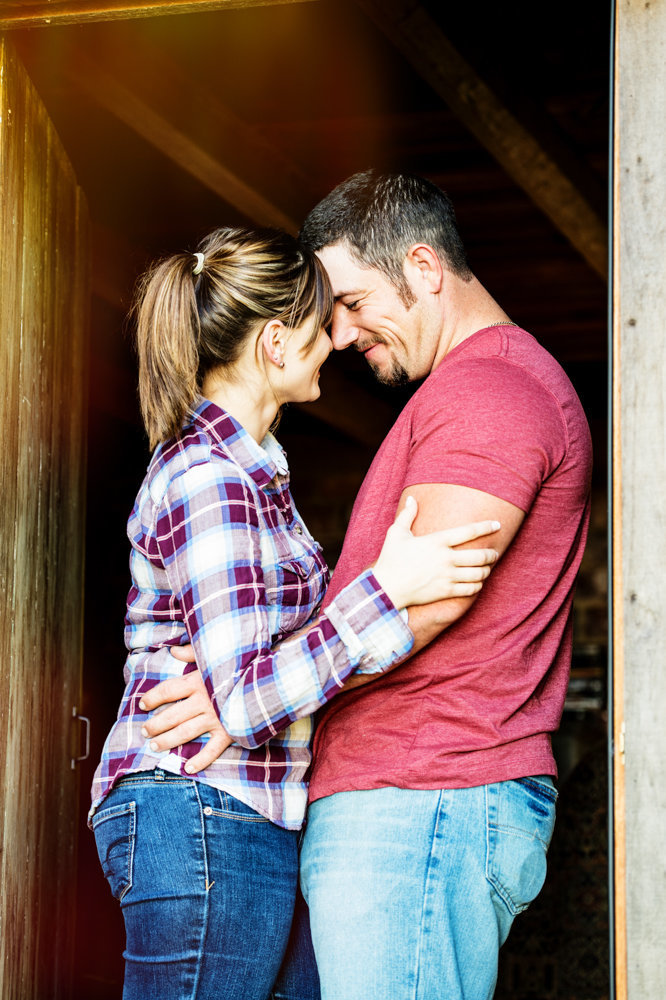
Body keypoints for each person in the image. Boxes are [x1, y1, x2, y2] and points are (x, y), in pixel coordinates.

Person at [144, 172, 593, 1000]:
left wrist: (247, 697)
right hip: (401, 807)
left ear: (423, 266)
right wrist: (254, 692)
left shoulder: (490, 391)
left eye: (351, 301)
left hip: (421, 801)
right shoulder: (459, 395)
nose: (341, 333)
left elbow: (430, 593)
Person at [89, 224, 501, 1000]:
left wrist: (378, 597)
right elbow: (247, 694)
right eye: (322, 323)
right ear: (276, 342)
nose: (337, 339)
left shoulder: (252, 477)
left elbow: (256, 682)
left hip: (245, 811)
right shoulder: (210, 478)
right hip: (202, 810)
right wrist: (387, 587)